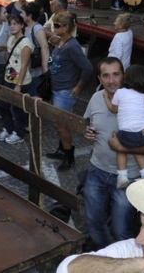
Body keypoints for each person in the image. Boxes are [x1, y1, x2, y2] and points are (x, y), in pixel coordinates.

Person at [82, 57, 144, 249]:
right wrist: (88, 132)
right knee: (93, 224)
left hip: (129, 178)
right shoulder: (95, 98)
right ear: (99, 78)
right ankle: (108, 256)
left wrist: (121, 148)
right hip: (97, 171)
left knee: (122, 230)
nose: (111, 80)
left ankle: (128, 262)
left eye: (116, 74)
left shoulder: (138, 100)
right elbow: (87, 123)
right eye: (106, 76)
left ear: (123, 76)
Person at [46, 12, 93, 170]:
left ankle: (68, 155)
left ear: (66, 28)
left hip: (65, 92)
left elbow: (87, 68)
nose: (54, 28)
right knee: (59, 123)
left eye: (57, 25)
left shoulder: (72, 46)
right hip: (58, 89)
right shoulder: (62, 42)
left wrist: (78, 86)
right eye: (54, 25)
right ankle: (62, 150)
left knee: (61, 125)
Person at [109, 65, 144, 188]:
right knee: (138, 150)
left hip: (127, 134)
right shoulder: (142, 95)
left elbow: (113, 109)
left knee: (121, 149)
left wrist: (108, 100)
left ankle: (122, 176)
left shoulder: (120, 92)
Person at [0, 14, 32, 145]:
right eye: (10, 23)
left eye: (15, 23)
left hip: (21, 81)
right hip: (8, 78)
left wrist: (19, 84)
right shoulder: (10, 39)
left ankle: (19, 133)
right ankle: (8, 127)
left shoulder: (26, 44)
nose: (12, 26)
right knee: (3, 105)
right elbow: (8, 57)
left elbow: (24, 65)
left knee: (18, 108)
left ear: (22, 25)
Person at [21, 2, 50, 97]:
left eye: (23, 13)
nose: (20, 15)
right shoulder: (25, 28)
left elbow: (44, 47)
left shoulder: (37, 28)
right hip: (26, 71)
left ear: (29, 16)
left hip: (35, 73)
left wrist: (45, 67)